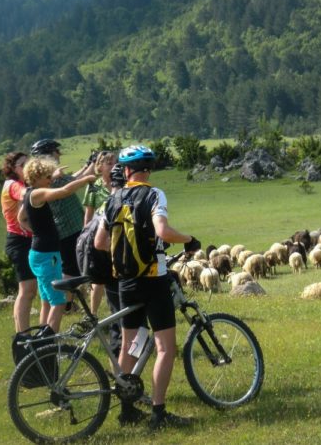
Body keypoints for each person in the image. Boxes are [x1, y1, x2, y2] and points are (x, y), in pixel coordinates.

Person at [94, 145, 200, 429]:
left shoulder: (112, 201)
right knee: (165, 348)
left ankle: (127, 410)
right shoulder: (154, 194)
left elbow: (99, 243)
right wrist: (189, 239)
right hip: (153, 280)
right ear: (148, 169)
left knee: (129, 345)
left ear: (126, 171)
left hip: (126, 281)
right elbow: (163, 231)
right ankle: (158, 413)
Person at [18, 157, 96, 333]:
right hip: (47, 255)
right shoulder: (37, 194)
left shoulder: (28, 194)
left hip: (39, 253)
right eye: (47, 176)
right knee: (59, 302)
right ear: (37, 177)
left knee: (47, 299)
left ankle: (42, 337)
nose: (50, 180)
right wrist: (86, 179)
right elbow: (64, 191)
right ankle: (50, 342)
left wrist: (39, 231)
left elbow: (20, 218)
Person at [31, 138, 95, 313]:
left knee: (71, 266)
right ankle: (66, 303)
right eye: (55, 151)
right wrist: (92, 166)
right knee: (71, 268)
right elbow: (73, 182)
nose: (59, 154)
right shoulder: (52, 179)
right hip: (68, 228)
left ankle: (67, 302)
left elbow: (72, 178)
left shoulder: (50, 177)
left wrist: (88, 165)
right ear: (48, 155)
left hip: (68, 227)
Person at [1, 152, 37, 333]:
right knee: (27, 290)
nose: (27, 167)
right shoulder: (13, 185)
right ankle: (23, 336)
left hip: (27, 240)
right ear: (13, 169)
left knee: (30, 290)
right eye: (22, 165)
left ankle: (24, 334)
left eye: (28, 163)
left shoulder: (22, 183)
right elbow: (26, 195)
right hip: (19, 241)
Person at [82, 151, 117, 316]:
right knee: (98, 280)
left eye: (116, 163)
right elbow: (88, 214)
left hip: (118, 237)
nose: (114, 166)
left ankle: (117, 312)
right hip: (99, 237)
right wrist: (86, 237)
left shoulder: (121, 184)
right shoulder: (94, 186)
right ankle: (93, 315)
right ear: (100, 166)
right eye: (109, 163)